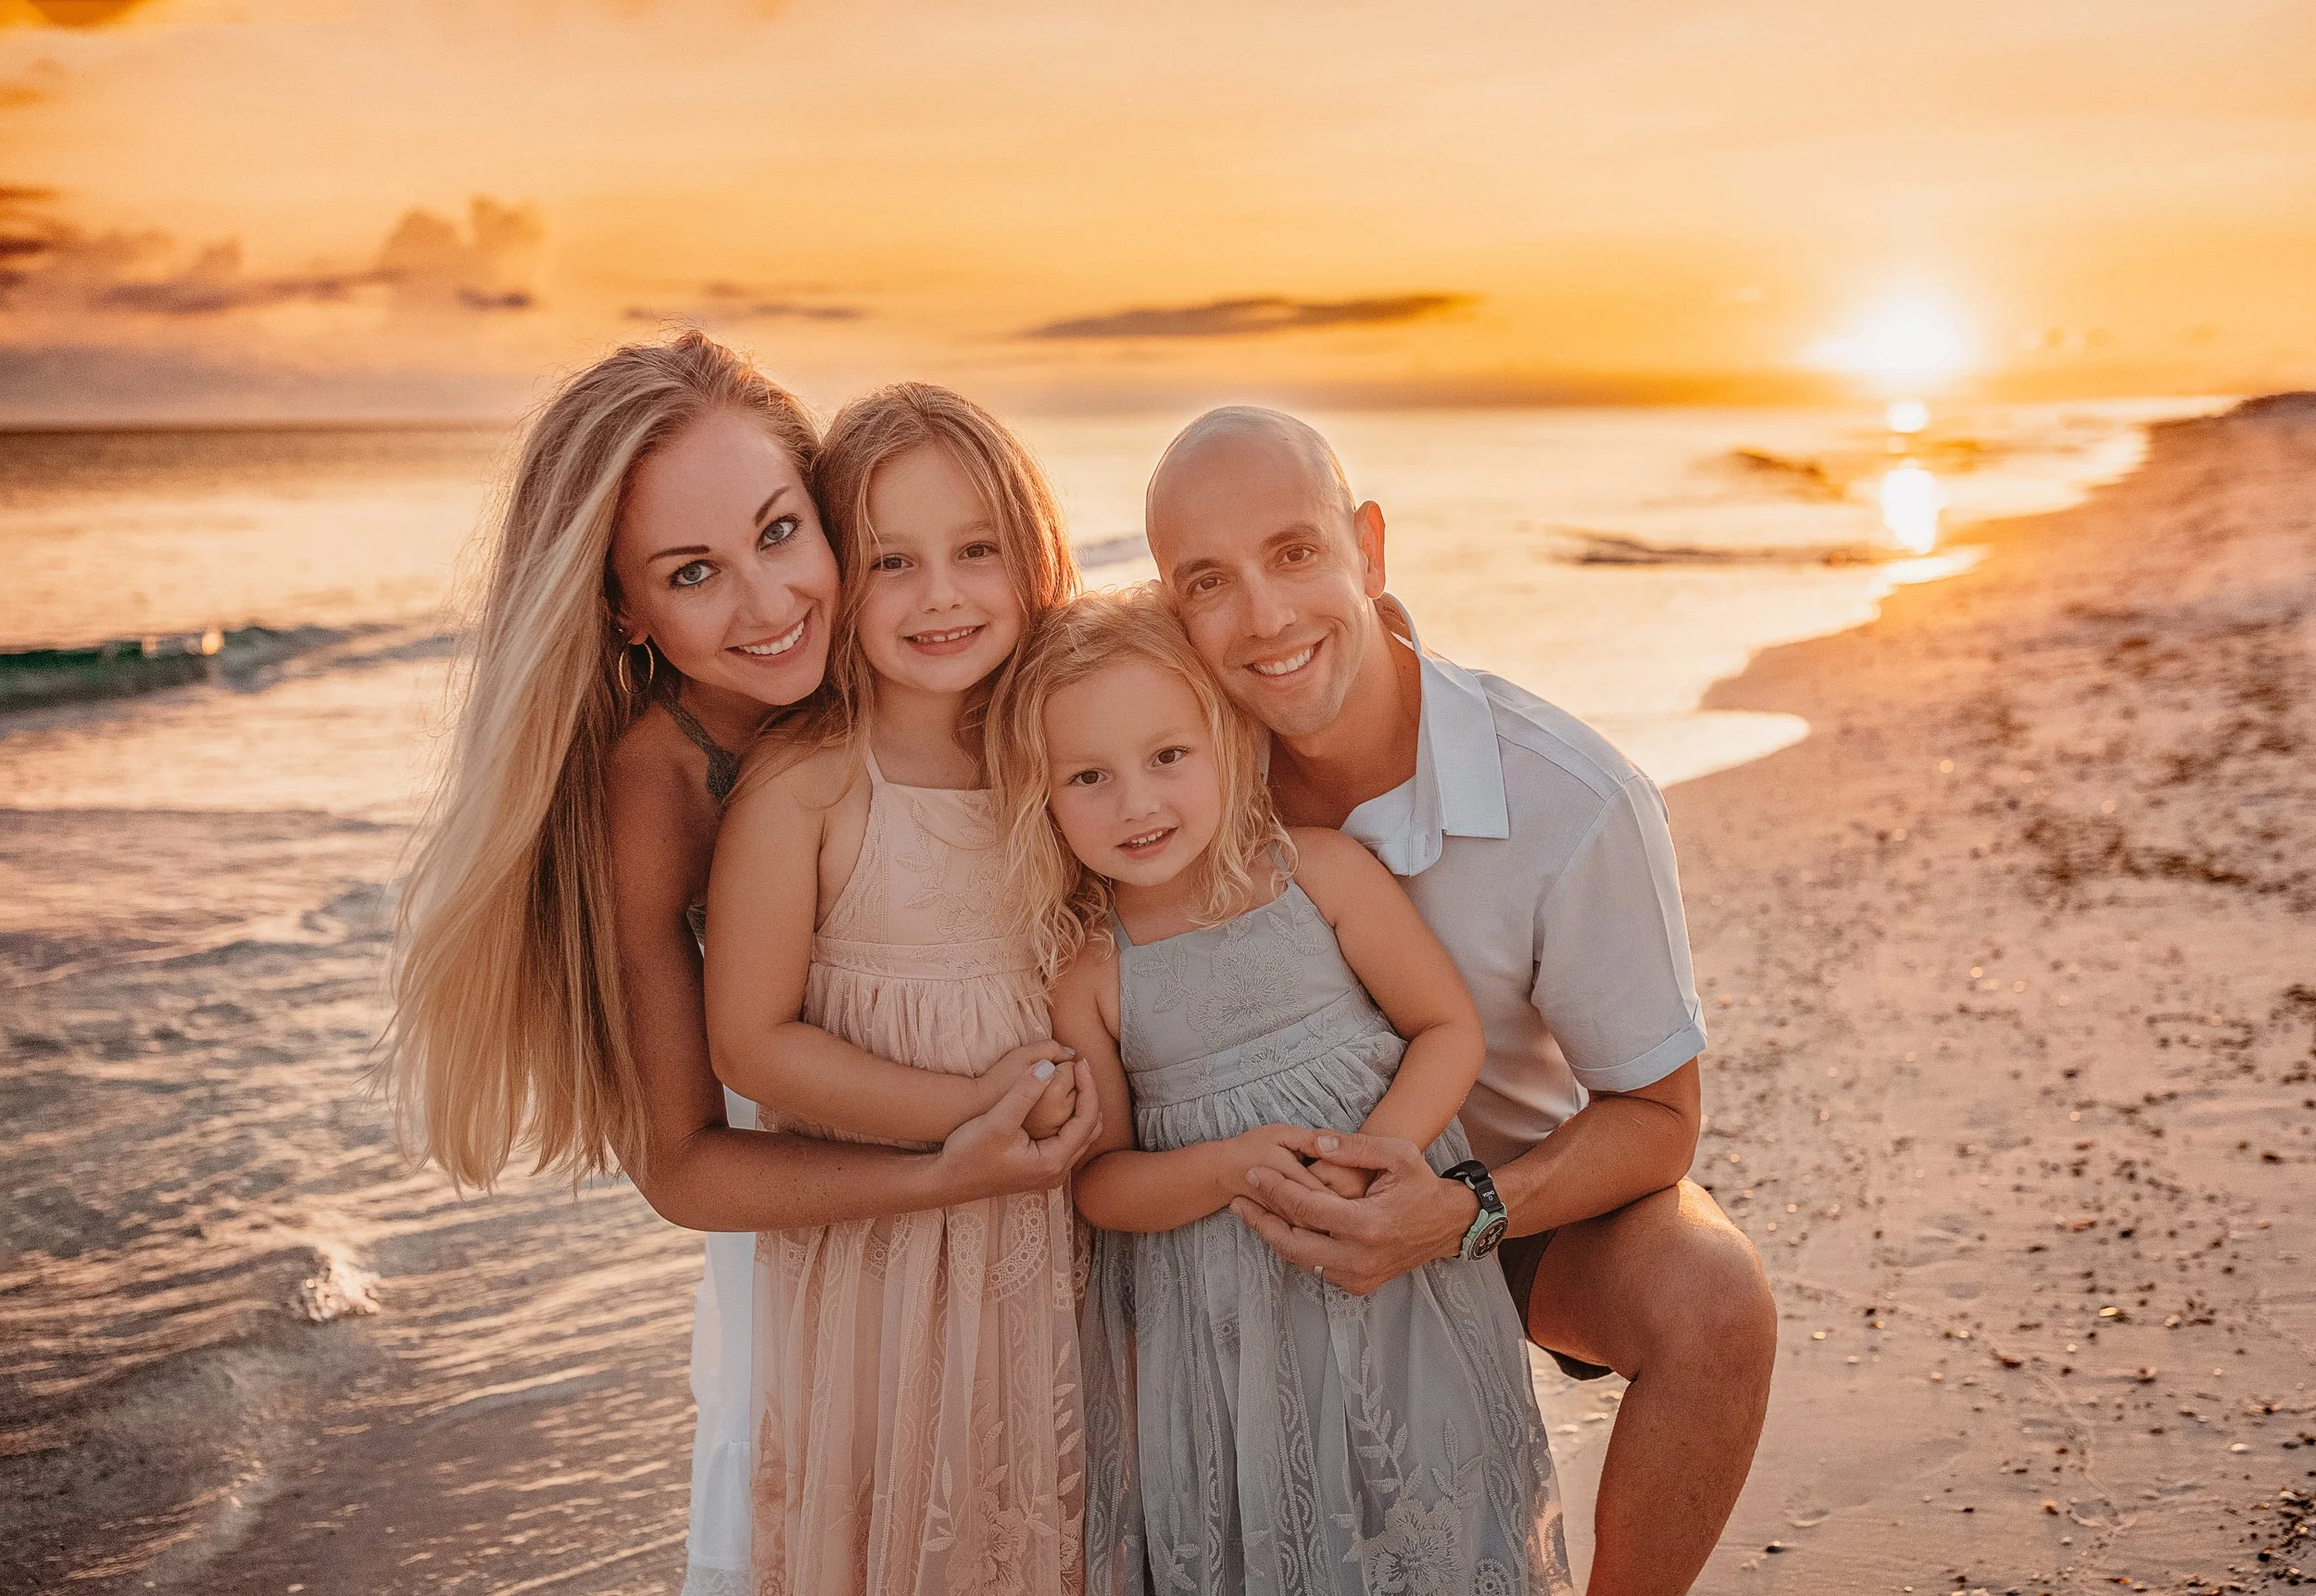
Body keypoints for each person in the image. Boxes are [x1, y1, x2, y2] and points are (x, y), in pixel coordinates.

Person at [383, 334, 1100, 1596]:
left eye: (781, 533)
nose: (767, 607)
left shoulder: (933, 679)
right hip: (824, 1244)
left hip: (1025, 1219)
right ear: (622, 606)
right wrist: (955, 1156)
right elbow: (685, 1158)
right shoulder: (656, 792)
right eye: (693, 572)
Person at [1142, 407, 1778, 1596]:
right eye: (1207, 582)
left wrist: (1463, 1211)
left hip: (1511, 1211)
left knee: (1715, 1302)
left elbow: (1655, 1114)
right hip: (1234, 1211)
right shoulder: (1154, 777)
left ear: (1367, 549)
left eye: (1294, 553)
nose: (1266, 617)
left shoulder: (1570, 801)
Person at [989, 587, 1571, 1595]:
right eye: (1089, 776)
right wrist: (1225, 1166)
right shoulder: (1091, 969)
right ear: (1043, 798)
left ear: (1226, 740)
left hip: (1398, 1280)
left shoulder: (1320, 875)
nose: (1136, 802)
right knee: (1281, 1542)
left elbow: (1446, 1028)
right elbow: (1104, 1184)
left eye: (1167, 756)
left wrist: (1379, 1157)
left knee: (1439, 1512)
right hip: (1225, 1325)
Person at [700, 383, 1089, 1595]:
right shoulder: (811, 783)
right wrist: (963, 1111)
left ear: (1032, 555)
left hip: (1052, 1217)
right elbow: (751, 1041)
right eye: (893, 561)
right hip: (889, 1247)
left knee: (1048, 1496)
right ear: (836, 580)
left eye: (978, 550)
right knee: (910, 1512)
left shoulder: (1055, 747)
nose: (943, 595)